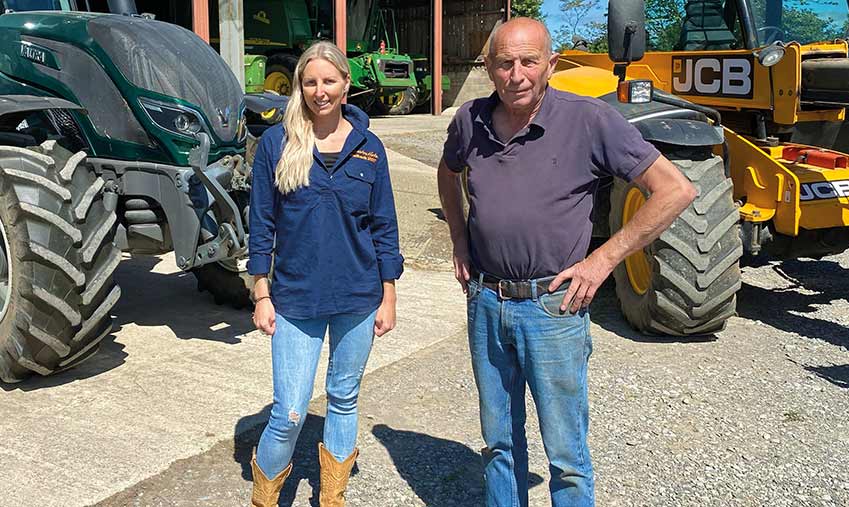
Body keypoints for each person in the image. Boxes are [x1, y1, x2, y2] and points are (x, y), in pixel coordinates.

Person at [437, 17, 697, 507]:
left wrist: (602, 261)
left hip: (553, 308)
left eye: (529, 61)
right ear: (490, 68)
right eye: (505, 63)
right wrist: (460, 241)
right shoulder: (469, 120)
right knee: (498, 444)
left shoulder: (589, 120)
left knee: (566, 456)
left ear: (550, 64)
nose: (517, 74)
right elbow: (448, 174)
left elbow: (675, 190)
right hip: (488, 303)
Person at [247, 41, 403, 507]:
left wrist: (389, 294)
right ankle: (265, 498)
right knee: (290, 412)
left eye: (328, 81)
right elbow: (261, 223)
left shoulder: (370, 149)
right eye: (310, 82)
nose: (320, 91)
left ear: (345, 84)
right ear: (300, 86)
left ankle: (332, 498)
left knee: (343, 398)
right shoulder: (277, 144)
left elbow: (384, 225)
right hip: (295, 300)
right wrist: (261, 292)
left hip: (359, 296)